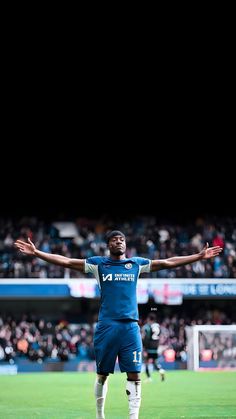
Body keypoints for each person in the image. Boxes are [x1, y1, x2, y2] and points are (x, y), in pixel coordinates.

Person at [14, 230, 222, 419]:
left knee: (135, 374)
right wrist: (38, 253)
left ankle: (133, 417)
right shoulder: (98, 264)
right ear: (108, 245)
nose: (119, 242)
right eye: (114, 240)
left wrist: (198, 256)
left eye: (122, 239)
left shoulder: (136, 264)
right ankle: (99, 414)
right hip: (107, 326)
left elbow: (167, 262)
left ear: (126, 244)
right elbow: (67, 261)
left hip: (130, 327)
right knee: (102, 375)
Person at [141, 312, 165, 383]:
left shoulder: (147, 327)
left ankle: (149, 378)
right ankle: (161, 370)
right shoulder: (158, 326)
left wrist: (145, 348)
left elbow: (145, 338)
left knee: (146, 362)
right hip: (156, 347)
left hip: (148, 348)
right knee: (154, 362)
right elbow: (160, 337)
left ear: (149, 318)